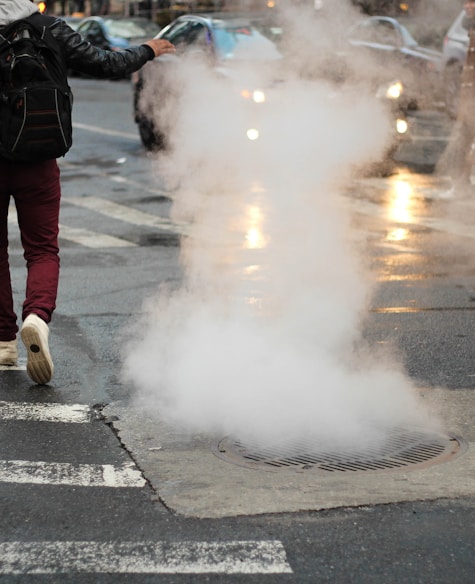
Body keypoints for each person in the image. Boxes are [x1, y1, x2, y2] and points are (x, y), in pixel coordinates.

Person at [0, 0, 175, 384]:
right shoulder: (50, 28)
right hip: (39, 157)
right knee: (43, 248)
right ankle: (37, 318)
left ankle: (3, 343)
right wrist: (148, 49)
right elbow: (105, 63)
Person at [437, 0, 475, 198]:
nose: (468, 6)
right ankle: (460, 185)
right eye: (466, 2)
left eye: (472, 2)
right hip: (469, 99)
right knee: (462, 140)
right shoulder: (470, 29)